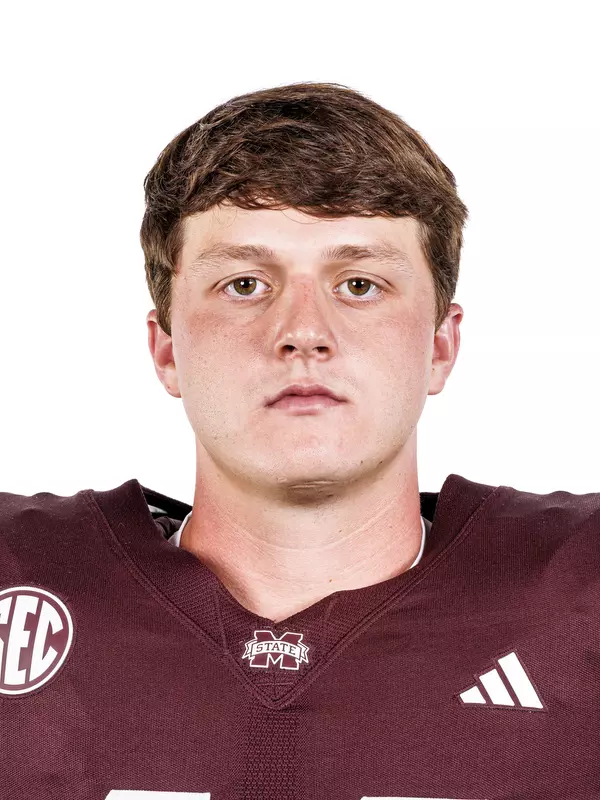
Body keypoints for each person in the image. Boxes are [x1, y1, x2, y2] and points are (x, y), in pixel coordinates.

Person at [0, 82, 597, 800]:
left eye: (359, 284)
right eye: (246, 283)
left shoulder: (578, 589)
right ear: (165, 350)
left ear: (440, 344)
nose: (303, 332)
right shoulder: (19, 579)